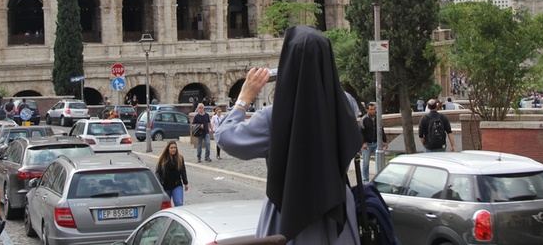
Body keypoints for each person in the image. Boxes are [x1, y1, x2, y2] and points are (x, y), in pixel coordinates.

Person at [216, 25, 362, 244]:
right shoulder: (346, 105)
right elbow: (324, 90)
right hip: (338, 213)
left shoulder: (273, 118)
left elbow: (226, 137)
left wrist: (244, 98)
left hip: (287, 213)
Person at [360, 102, 388, 183]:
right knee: (366, 163)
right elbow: (361, 132)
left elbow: (381, 130)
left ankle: (378, 179)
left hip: (376, 143)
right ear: (367, 110)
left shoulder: (378, 119)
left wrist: (384, 141)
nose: (373, 111)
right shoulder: (364, 120)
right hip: (367, 144)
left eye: (374, 109)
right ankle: (365, 180)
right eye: (371, 110)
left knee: (379, 162)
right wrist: (363, 143)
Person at [154, 140, 189, 206]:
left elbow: (183, 171)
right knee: (166, 205)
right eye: (171, 148)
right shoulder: (162, 159)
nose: (173, 149)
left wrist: (185, 183)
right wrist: (159, 184)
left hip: (177, 185)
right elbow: (158, 172)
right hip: (166, 186)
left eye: (175, 148)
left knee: (179, 203)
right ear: (168, 148)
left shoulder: (180, 158)